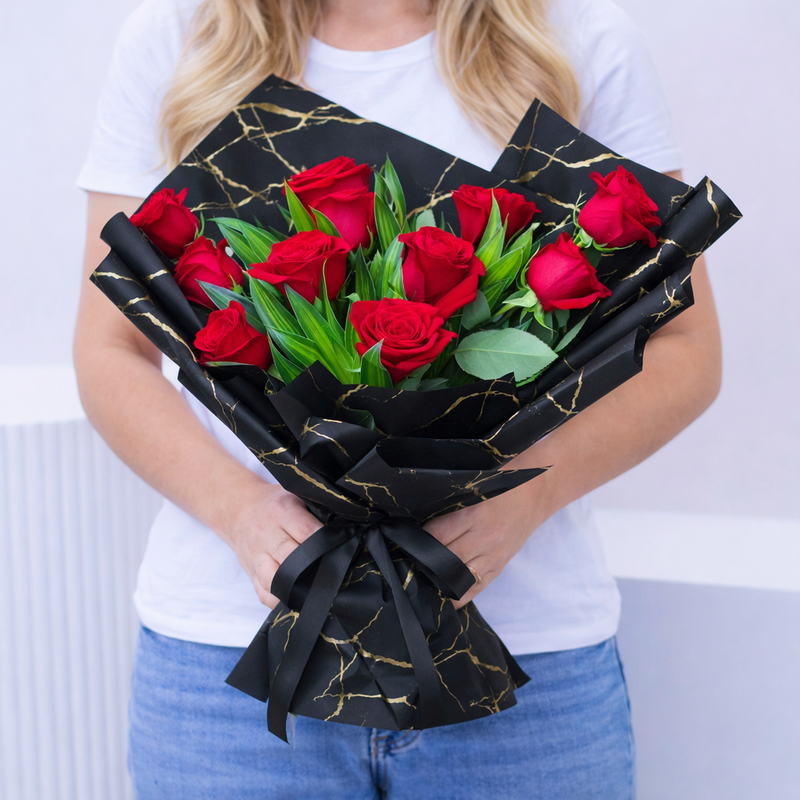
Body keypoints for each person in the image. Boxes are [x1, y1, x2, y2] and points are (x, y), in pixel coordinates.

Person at [73, 0, 721, 797]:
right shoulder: (180, 36)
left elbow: (685, 351)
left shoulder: (578, 38)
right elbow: (113, 348)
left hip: (525, 659)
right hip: (229, 662)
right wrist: (238, 512)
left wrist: (518, 504)